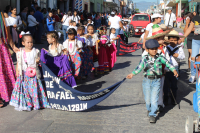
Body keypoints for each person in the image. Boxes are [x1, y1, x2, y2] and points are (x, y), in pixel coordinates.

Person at [126, 39, 178, 123]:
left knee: (154, 99)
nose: (154, 50)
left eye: (155, 49)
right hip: (146, 81)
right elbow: (139, 67)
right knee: (148, 99)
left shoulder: (160, 57)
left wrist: (174, 70)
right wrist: (132, 74)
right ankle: (149, 109)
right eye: (152, 49)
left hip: (157, 81)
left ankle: (152, 114)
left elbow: (168, 63)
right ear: (147, 50)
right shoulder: (144, 58)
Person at [9, 32, 50, 111]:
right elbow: (19, 62)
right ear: (23, 43)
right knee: (25, 90)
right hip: (24, 74)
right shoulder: (20, 52)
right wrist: (17, 71)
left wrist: (38, 61)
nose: (30, 44)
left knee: (34, 90)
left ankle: (36, 103)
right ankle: (28, 104)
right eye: (28, 42)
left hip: (34, 74)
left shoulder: (36, 51)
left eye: (31, 42)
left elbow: (39, 61)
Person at [0, 12, 19, 107]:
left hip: (1, 47)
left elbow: (7, 34)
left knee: (2, 73)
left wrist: (12, 46)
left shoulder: (3, 16)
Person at [164, 30, 185, 105]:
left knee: (174, 84)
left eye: (175, 40)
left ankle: (173, 99)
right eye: (171, 40)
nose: (173, 41)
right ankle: (165, 99)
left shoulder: (179, 48)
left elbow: (183, 57)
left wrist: (178, 56)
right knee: (165, 85)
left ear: (178, 40)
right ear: (168, 40)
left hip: (175, 68)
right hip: (166, 68)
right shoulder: (166, 48)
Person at [181, 11, 200, 83]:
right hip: (195, 40)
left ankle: (198, 76)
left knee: (198, 59)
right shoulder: (195, 18)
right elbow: (189, 29)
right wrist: (183, 37)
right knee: (193, 58)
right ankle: (193, 75)